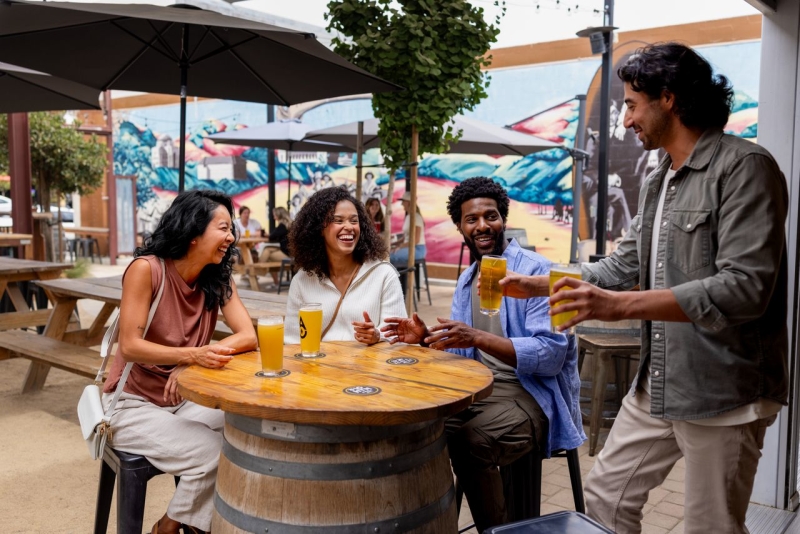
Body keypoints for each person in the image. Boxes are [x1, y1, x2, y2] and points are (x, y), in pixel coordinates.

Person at [500, 43, 788, 534]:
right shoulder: (660, 179)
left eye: (632, 104)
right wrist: (544, 282)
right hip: (658, 382)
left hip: (722, 390)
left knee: (710, 527)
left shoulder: (745, 167)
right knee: (606, 498)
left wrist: (616, 307)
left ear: (669, 98)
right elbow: (621, 266)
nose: (627, 119)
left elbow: (744, 289)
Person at [381, 177, 584, 532]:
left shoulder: (538, 271)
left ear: (503, 219)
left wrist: (477, 337)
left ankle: (499, 530)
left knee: (472, 443)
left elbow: (551, 355)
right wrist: (425, 338)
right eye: (471, 220)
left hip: (535, 395)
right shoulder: (466, 280)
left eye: (490, 216)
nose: (482, 226)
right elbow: (460, 349)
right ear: (460, 227)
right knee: (419, 430)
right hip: (483, 392)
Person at [102, 190, 258, 534]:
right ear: (192, 233)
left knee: (246, 430)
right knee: (213, 452)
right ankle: (178, 528)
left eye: (232, 229)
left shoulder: (216, 278)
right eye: (223, 228)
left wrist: (191, 366)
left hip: (182, 398)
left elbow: (248, 336)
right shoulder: (147, 270)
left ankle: (172, 523)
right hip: (132, 405)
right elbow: (129, 345)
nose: (231, 238)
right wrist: (192, 355)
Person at [284, 186, 406, 345]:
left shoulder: (384, 275)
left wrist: (377, 336)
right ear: (319, 228)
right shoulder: (302, 280)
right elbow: (292, 341)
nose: (349, 227)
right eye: (338, 220)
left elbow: (399, 340)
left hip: (369, 368)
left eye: (354, 221)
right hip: (319, 368)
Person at [257, 206, 292, 286]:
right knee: (267, 249)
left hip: (288, 254)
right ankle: (275, 282)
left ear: (278, 215)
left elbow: (272, 236)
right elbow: (274, 236)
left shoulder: (282, 226)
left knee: (267, 254)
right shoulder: (288, 224)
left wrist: (266, 235)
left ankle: (256, 271)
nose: (273, 216)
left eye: (274, 214)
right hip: (290, 251)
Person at [389, 191, 426, 266]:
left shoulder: (416, 217)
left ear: (408, 203)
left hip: (417, 249)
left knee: (390, 256)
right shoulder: (408, 216)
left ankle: (400, 277)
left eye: (403, 201)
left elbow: (416, 240)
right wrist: (392, 244)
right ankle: (401, 277)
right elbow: (405, 237)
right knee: (386, 254)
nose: (401, 204)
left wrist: (400, 246)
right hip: (408, 247)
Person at [233, 205, 263, 270]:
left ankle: (250, 273)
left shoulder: (254, 222)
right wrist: (253, 234)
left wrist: (245, 234)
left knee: (253, 255)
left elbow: (260, 233)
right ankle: (246, 273)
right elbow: (237, 235)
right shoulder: (236, 223)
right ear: (240, 214)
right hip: (239, 247)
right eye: (245, 213)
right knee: (243, 255)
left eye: (248, 213)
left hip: (252, 246)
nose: (247, 215)